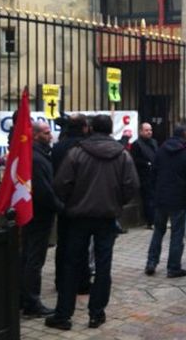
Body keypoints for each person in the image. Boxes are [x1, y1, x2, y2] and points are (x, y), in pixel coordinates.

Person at [46, 115, 139, 330]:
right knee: (103, 265)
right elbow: (131, 185)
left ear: (90, 128)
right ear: (109, 130)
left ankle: (63, 314)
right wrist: (117, 202)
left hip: (78, 216)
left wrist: (72, 201)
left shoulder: (76, 153)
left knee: (72, 265)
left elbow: (60, 184)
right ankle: (97, 314)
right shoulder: (122, 155)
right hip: (107, 217)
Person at [21, 122, 63, 317]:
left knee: (30, 256)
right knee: (34, 259)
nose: (51, 136)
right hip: (38, 214)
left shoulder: (40, 154)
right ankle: (31, 301)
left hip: (37, 213)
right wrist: (60, 207)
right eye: (47, 133)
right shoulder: (36, 158)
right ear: (36, 135)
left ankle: (24, 297)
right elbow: (43, 190)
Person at [144, 125, 186, 277]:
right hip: (179, 199)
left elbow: (153, 173)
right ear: (184, 135)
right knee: (177, 233)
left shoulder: (161, 150)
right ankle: (173, 267)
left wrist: (155, 192)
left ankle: (151, 262)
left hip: (161, 197)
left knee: (158, 231)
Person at [51, 114, 91, 294]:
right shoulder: (86, 147)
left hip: (63, 201)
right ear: (84, 128)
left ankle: (61, 281)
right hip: (83, 201)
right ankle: (81, 282)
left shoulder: (58, 147)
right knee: (81, 245)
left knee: (63, 243)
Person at [130, 122, 158, 229]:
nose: (149, 132)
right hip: (144, 175)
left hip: (154, 174)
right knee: (148, 198)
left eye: (150, 130)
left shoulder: (154, 142)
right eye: (146, 130)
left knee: (155, 198)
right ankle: (150, 221)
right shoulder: (136, 144)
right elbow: (135, 160)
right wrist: (147, 163)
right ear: (141, 131)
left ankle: (156, 219)